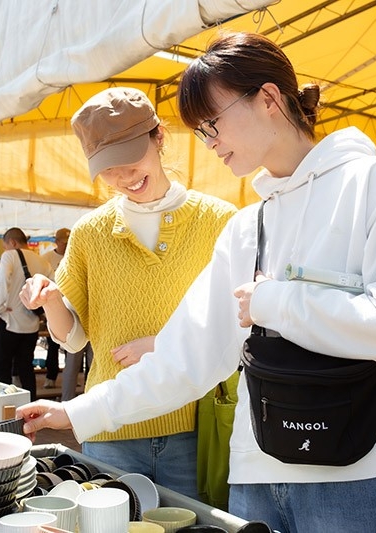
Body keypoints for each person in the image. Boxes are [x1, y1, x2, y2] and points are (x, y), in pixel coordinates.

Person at [18, 32, 376, 532]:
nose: (211, 142)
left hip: (359, 473)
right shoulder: (248, 226)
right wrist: (80, 412)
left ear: (268, 99)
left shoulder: (373, 183)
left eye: (214, 123)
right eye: (201, 132)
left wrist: (275, 303)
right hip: (257, 472)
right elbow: (187, 355)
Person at [18, 86, 237, 499]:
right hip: (108, 428)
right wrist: (50, 301)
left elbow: (238, 325)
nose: (123, 177)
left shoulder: (221, 221)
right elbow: (75, 337)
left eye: (130, 159)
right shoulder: (90, 232)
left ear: (159, 138)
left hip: (194, 425)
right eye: (108, 168)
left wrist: (167, 345)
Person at [0, 227, 53, 401]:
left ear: (12, 242)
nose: (5, 249)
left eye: (5, 246)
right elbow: (52, 287)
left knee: (2, 368)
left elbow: (3, 281)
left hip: (10, 320)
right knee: (26, 368)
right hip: (31, 324)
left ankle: (3, 407)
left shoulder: (10, 255)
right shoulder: (42, 262)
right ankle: (30, 405)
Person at [41, 228, 70, 389]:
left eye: (68, 242)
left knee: (71, 345)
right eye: (63, 242)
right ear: (56, 241)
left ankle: (69, 378)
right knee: (52, 343)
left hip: (72, 305)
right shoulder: (46, 258)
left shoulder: (75, 255)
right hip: (52, 305)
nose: (66, 246)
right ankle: (50, 376)